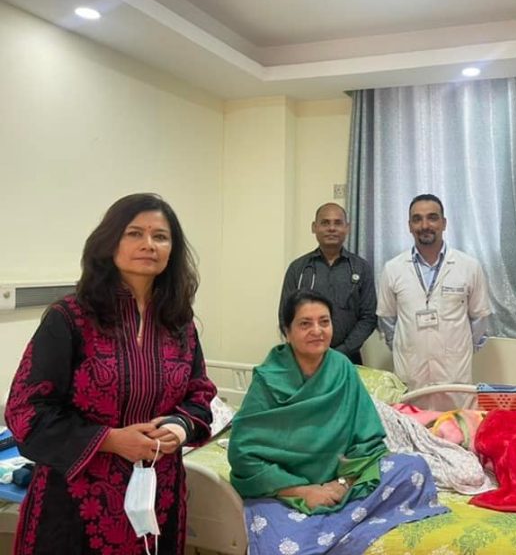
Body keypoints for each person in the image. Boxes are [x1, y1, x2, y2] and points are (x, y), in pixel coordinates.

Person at [4, 193, 217, 555]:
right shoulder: (70, 318)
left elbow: (200, 396)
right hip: (76, 504)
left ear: (172, 250)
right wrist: (111, 440)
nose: (148, 244)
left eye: (160, 236)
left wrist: (179, 427)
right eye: (134, 233)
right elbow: (26, 410)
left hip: (157, 498)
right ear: (110, 242)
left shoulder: (179, 323)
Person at [228, 289, 446, 553]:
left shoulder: (342, 369)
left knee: (413, 467)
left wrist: (342, 484)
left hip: (342, 484)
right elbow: (243, 455)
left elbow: (367, 440)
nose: (317, 331)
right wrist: (304, 491)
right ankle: (337, 528)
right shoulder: (269, 380)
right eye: (305, 324)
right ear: (287, 331)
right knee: (282, 544)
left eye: (324, 322)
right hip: (286, 490)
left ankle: (337, 527)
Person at [377, 194, 492, 410]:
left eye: (432, 218)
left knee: (455, 427)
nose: (425, 225)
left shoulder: (468, 266)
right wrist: (409, 347)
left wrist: (459, 349)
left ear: (444, 223)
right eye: (417, 219)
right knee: (411, 425)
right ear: (409, 226)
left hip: (454, 375)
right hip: (411, 374)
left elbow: (479, 319)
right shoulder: (393, 269)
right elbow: (387, 320)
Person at [278, 202, 377, 365]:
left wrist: (342, 351)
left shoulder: (361, 268)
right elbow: (285, 315)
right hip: (304, 358)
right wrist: (308, 349)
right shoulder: (298, 268)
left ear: (347, 228)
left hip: (348, 358)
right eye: (325, 223)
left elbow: (369, 317)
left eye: (337, 223)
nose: (331, 228)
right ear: (314, 227)